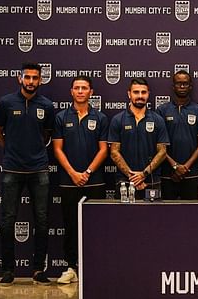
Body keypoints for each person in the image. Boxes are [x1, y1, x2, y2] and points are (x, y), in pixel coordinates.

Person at [0, 62, 55, 286]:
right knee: (8, 221)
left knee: (42, 220)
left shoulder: (47, 106)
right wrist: (11, 149)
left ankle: (38, 269)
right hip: (11, 169)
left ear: (40, 80)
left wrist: (34, 150)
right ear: (20, 79)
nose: (30, 81)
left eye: (34, 78)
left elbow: (47, 134)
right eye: (27, 77)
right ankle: (8, 270)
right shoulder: (6, 103)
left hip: (39, 170)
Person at [52, 76, 109, 284]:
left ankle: (94, 268)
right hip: (69, 181)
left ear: (91, 92)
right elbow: (57, 148)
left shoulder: (101, 118)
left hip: (94, 181)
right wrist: (73, 173)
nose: (80, 91)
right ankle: (71, 268)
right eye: (77, 88)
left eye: (84, 88)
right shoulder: (60, 117)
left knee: (95, 226)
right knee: (70, 226)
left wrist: (86, 172)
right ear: (71, 92)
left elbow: (104, 149)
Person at [108, 77, 169, 199]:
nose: (140, 96)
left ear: (148, 94)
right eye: (136, 92)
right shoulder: (118, 120)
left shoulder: (158, 120)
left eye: (143, 92)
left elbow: (162, 152)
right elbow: (114, 152)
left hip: (151, 180)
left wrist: (143, 174)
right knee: (123, 218)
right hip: (124, 182)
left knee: (153, 218)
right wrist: (133, 177)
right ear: (129, 94)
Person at [156, 70, 198, 199]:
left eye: (185, 84)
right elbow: (159, 144)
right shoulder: (162, 110)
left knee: (193, 215)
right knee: (166, 215)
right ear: (173, 86)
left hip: (191, 172)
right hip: (167, 172)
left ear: (190, 86)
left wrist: (185, 167)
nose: (182, 87)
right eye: (179, 84)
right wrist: (175, 166)